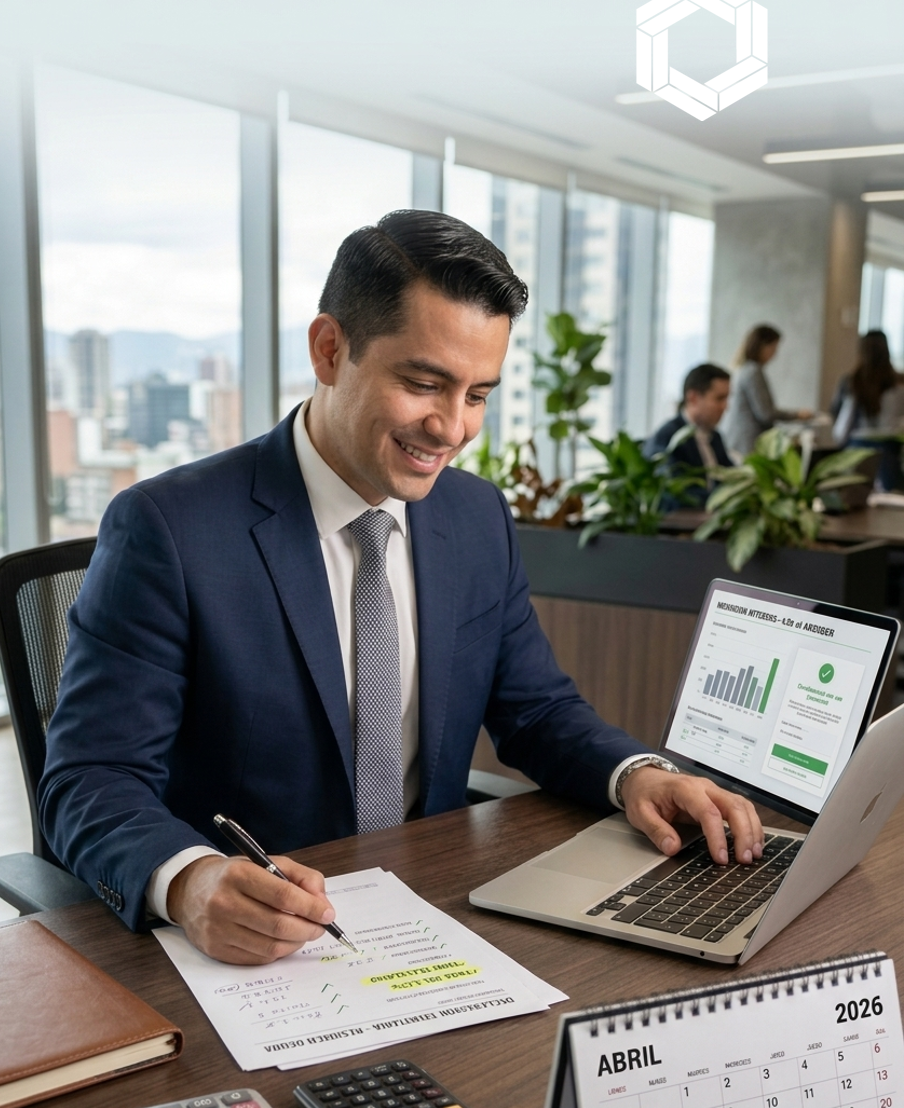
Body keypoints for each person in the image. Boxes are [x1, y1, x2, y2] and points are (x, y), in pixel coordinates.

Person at [39, 210, 763, 967]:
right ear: (329, 350)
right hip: (253, 951)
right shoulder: (171, 529)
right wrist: (188, 880)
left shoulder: (476, 515)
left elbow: (538, 709)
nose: (451, 428)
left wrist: (636, 773)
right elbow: (90, 777)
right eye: (424, 383)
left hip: (432, 918)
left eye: (478, 394)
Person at [644, 363, 733, 506]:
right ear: (693, 398)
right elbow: (675, 493)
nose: (725, 407)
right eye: (719, 399)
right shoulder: (668, 438)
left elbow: (731, 476)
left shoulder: (715, 437)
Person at [721, 324, 812, 457]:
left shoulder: (742, 368)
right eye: (774, 348)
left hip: (738, 439)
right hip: (748, 442)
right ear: (763, 346)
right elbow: (765, 413)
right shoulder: (753, 372)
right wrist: (797, 415)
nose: (775, 354)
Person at [830, 330, 904, 491]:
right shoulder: (899, 381)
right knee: (889, 504)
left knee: (853, 499)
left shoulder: (850, 381)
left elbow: (835, 412)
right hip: (889, 451)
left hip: (855, 449)